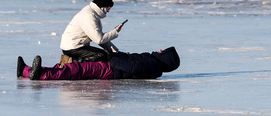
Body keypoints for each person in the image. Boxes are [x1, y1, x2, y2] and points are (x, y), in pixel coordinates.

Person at [17, 47, 180, 81]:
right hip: (111, 64)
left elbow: (133, 67)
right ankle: (26, 70)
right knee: (74, 64)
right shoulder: (152, 60)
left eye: (163, 51)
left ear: (166, 58)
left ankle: (42, 74)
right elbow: (131, 59)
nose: (159, 50)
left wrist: (112, 60)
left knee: (76, 70)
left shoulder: (155, 66)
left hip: (111, 70)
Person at [59, 0, 123, 62]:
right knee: (101, 55)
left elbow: (99, 37)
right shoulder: (89, 15)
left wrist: (114, 51)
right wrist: (115, 31)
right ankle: (71, 61)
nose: (108, 10)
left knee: (106, 55)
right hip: (72, 47)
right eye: (108, 8)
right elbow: (99, 39)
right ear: (102, 6)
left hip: (78, 45)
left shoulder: (94, 14)